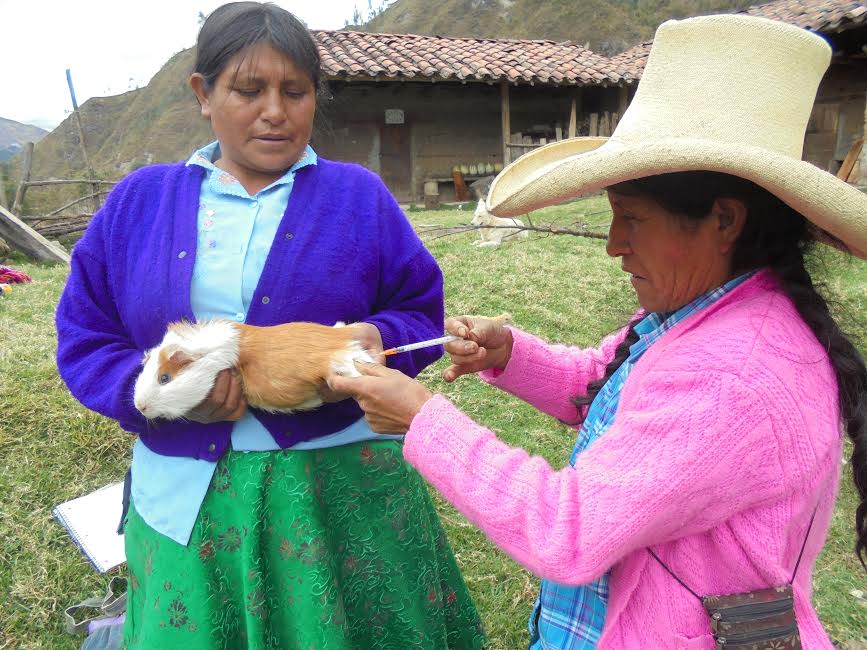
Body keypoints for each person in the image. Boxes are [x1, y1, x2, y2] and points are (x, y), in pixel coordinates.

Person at [329, 14, 867, 649]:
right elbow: (608, 387)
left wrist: (423, 418)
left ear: (724, 220)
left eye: (631, 218)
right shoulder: (708, 315)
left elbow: (570, 530)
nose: (614, 245)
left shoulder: (733, 376)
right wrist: (510, 354)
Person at [55, 3, 485, 647]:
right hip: (187, 500)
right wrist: (164, 400)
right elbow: (86, 335)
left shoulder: (359, 199)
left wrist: (380, 340)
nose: (275, 111)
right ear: (204, 94)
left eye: (296, 91)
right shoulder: (140, 203)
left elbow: (417, 308)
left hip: (342, 487)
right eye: (248, 90)